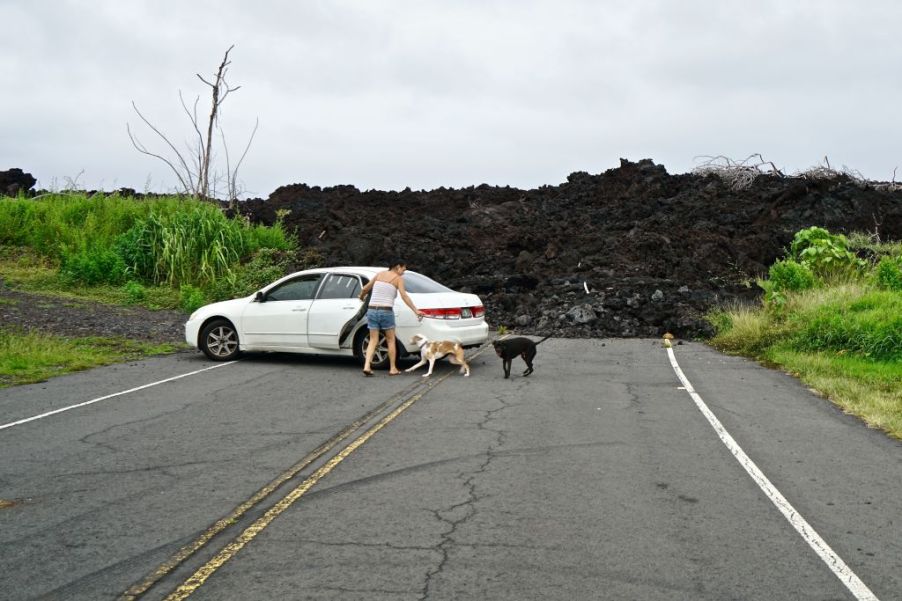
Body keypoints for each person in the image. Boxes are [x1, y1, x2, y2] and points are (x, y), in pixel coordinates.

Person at [358, 260, 425, 376]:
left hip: (372, 310)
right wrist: (415, 310)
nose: (403, 272)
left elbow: (365, 289)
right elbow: (404, 296)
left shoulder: (379, 274)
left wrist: (362, 297)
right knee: (390, 339)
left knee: (373, 340)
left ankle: (367, 366)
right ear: (398, 267)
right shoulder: (398, 279)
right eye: (403, 269)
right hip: (386, 311)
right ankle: (393, 368)